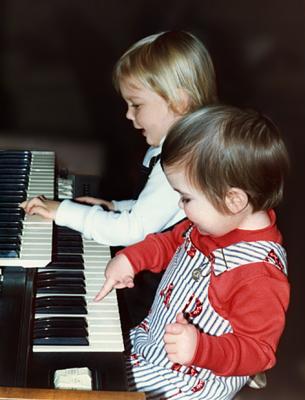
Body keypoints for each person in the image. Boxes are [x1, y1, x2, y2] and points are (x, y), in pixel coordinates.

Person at [20, 31, 218, 327]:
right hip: (163, 265)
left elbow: (131, 231)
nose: (128, 115)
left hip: (164, 289)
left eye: (136, 105)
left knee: (108, 320)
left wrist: (61, 211)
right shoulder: (182, 145)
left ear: (179, 101)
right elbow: (158, 208)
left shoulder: (185, 159)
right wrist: (115, 206)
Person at [94, 105, 290, 399]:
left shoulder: (257, 274)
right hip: (153, 344)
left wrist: (201, 348)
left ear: (233, 200)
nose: (179, 207)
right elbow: (172, 242)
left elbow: (258, 352)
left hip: (192, 380)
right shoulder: (212, 223)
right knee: (94, 364)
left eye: (186, 197)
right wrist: (131, 258)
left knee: (97, 386)